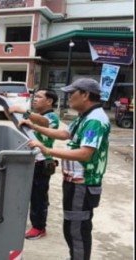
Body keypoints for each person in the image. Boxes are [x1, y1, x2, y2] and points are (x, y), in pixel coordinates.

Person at [24, 78, 110, 260]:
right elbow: (65, 134)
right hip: (74, 181)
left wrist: (47, 150)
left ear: (85, 95)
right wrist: (33, 126)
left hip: (83, 184)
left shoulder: (95, 120)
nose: (69, 98)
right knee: (72, 226)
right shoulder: (85, 116)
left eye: (72, 94)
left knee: (77, 229)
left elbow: (85, 153)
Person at [8, 89, 59, 240]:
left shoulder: (51, 117)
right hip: (28, 159)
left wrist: (23, 110)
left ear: (49, 101)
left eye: (39, 97)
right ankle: (23, 221)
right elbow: (16, 121)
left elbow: (45, 123)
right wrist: (8, 109)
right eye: (34, 97)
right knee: (24, 193)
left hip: (42, 162)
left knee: (39, 197)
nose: (35, 99)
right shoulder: (33, 118)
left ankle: (39, 227)